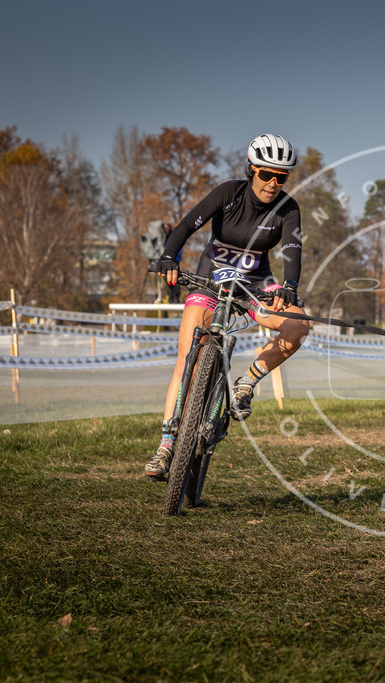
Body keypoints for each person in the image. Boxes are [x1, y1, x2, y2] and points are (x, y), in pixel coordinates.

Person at [144, 133, 310, 481]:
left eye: (282, 177)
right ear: (252, 170)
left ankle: (245, 384)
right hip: (211, 280)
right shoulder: (228, 193)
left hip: (255, 285)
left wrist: (290, 289)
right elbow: (187, 225)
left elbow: (292, 251)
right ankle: (166, 444)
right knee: (187, 356)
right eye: (267, 174)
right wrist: (167, 258)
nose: (273, 183)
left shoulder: (288, 208)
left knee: (298, 325)